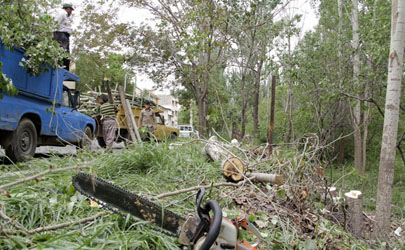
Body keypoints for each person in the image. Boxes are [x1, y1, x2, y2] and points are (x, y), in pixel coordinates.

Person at [52, 3, 74, 70]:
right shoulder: (62, 13)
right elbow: (55, 23)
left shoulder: (66, 16)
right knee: (63, 53)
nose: (71, 12)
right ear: (68, 9)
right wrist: (52, 33)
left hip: (64, 36)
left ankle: (65, 69)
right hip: (60, 36)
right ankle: (61, 68)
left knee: (66, 54)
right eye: (71, 10)